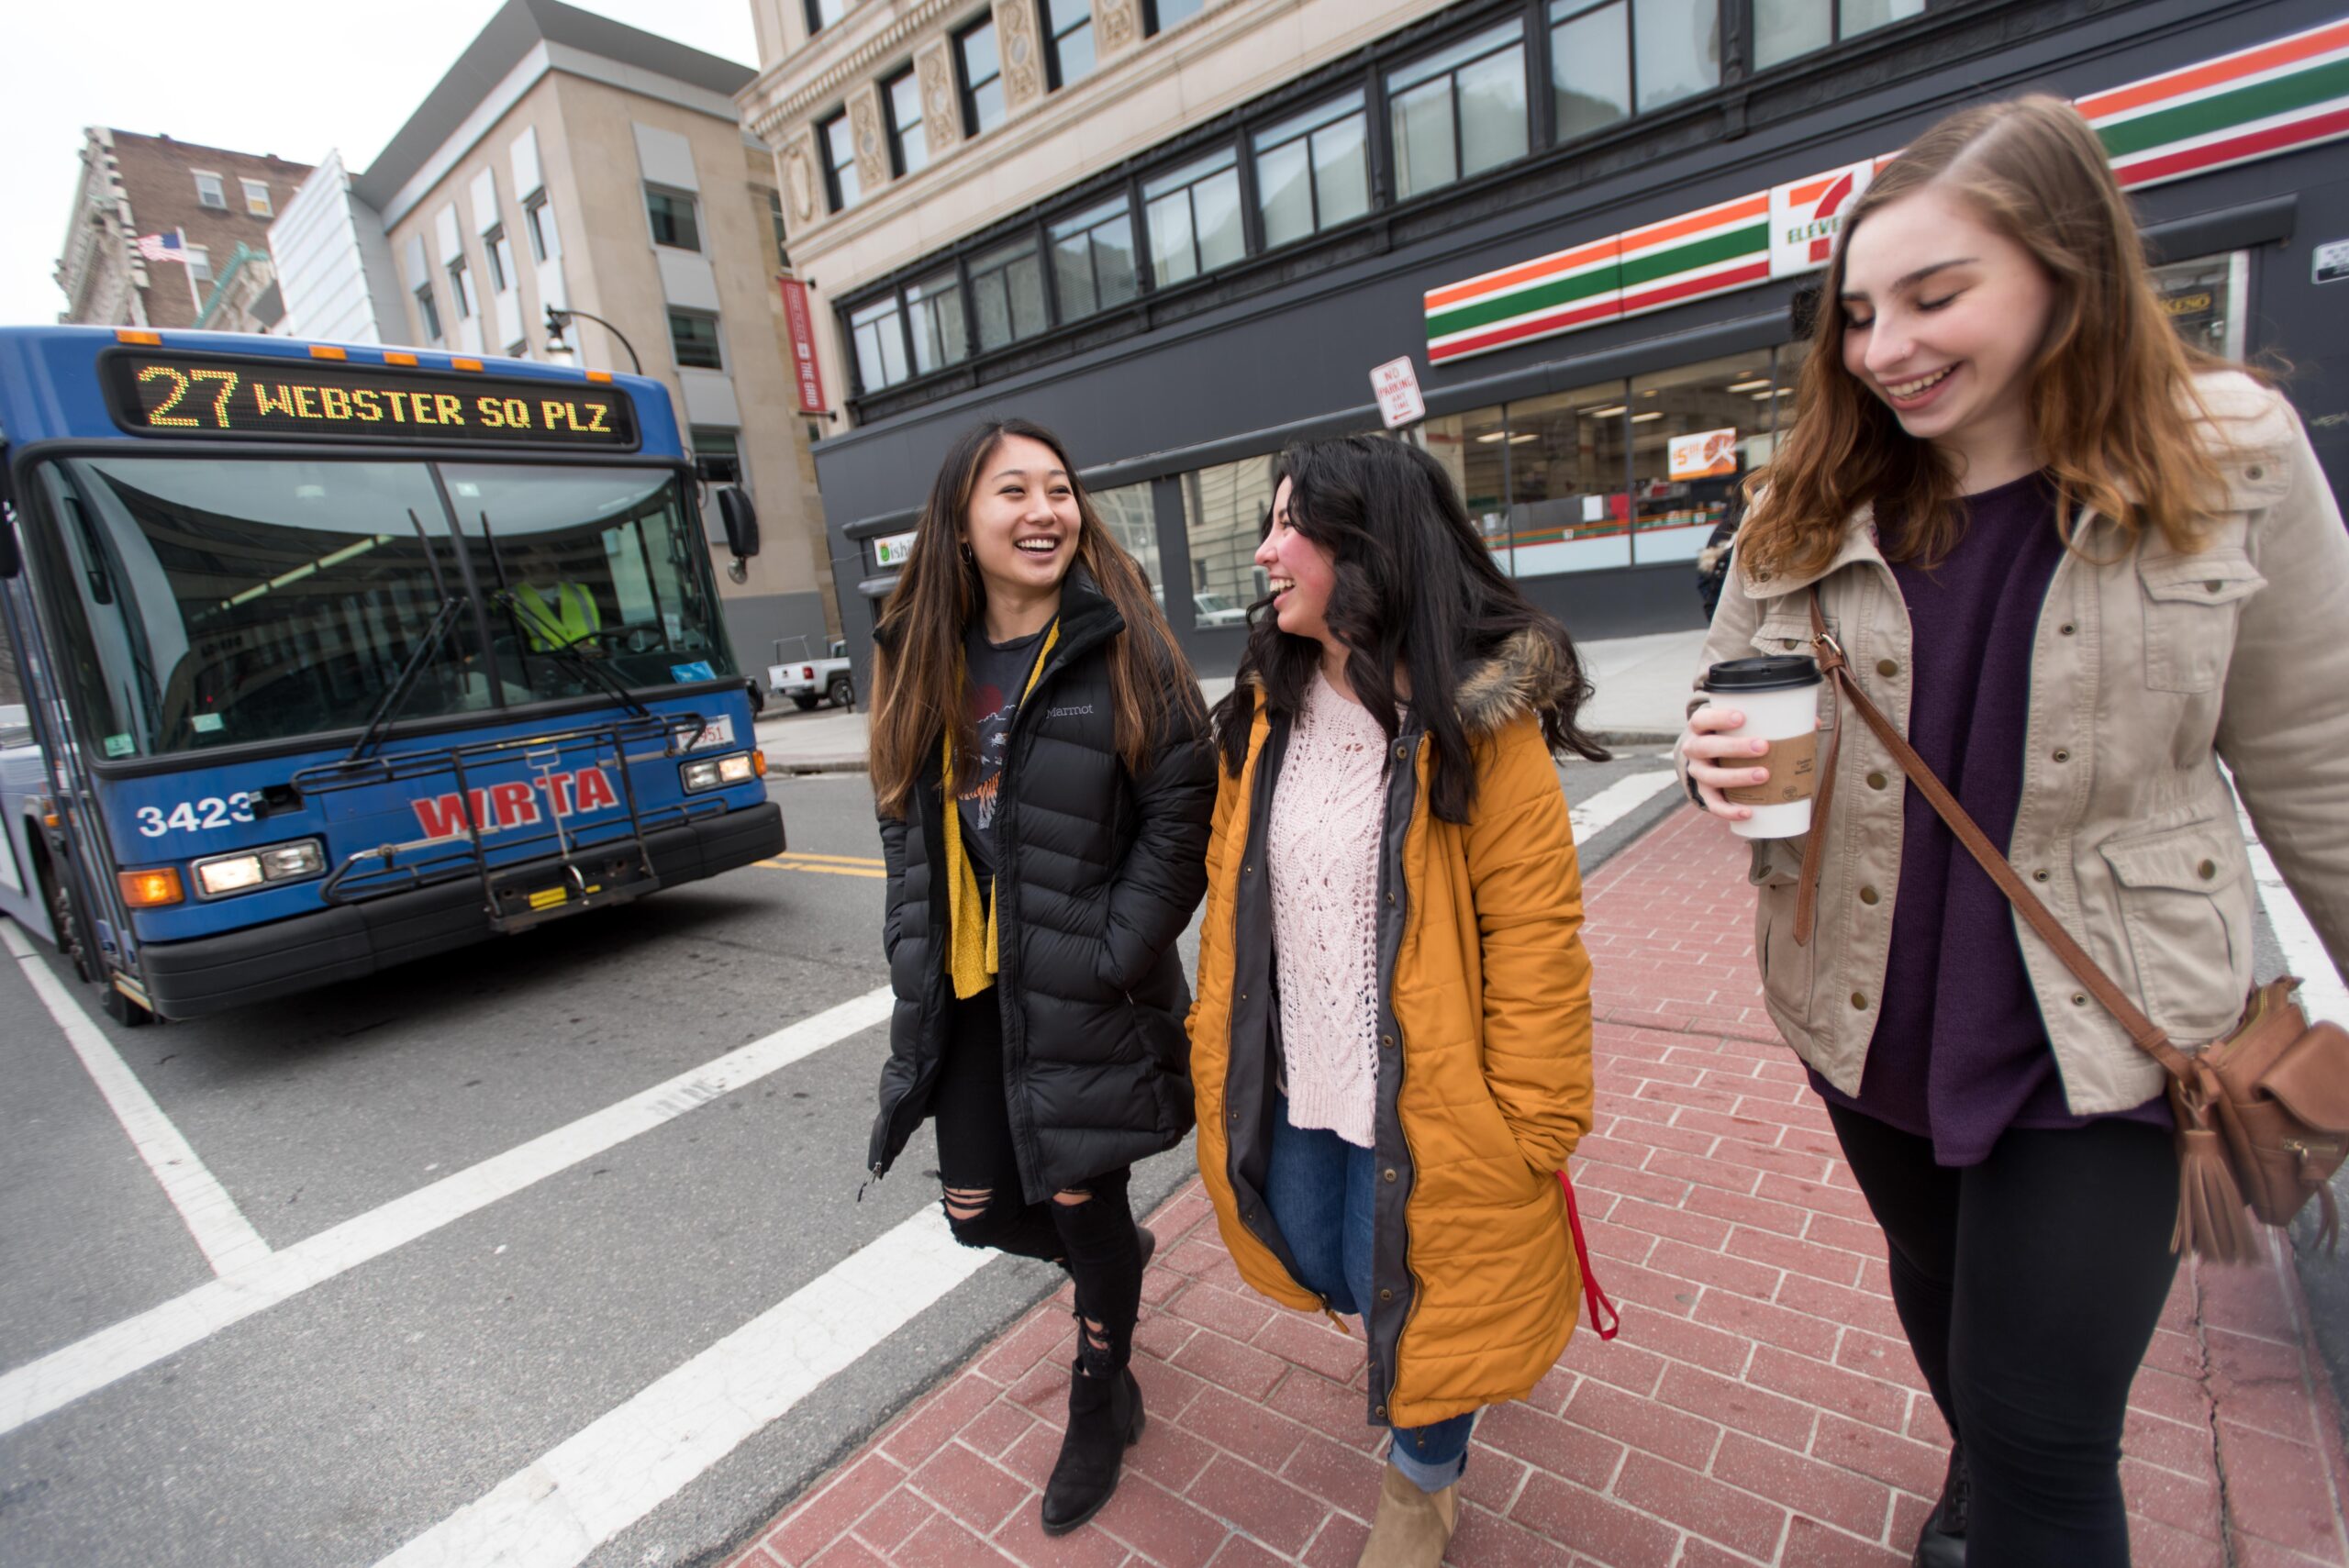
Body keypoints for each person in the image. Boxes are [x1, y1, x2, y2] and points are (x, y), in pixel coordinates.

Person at [1677, 97, 2349, 1568]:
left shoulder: (2227, 456)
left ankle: (2002, 1472)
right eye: (1859, 312)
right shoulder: (1813, 487)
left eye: (1935, 295)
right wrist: (1711, 762)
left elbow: (2323, 765)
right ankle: (1972, 1456)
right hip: (1866, 1015)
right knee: (1944, 1292)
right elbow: (1728, 698)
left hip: (2109, 1029)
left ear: (2066, 269)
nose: (1885, 347)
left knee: (2051, 1440)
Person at [1187, 435, 1608, 1567]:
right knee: (1331, 1264)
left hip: (1435, 1102)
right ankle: (1436, 1389)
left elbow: (1533, 932)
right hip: (1300, 1079)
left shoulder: (1478, 723)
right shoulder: (1267, 706)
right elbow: (1233, 901)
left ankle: (1424, 1481)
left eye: (1291, 526)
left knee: (1432, 1303)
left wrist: (1528, 1122)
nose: (1266, 550)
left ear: (1364, 549)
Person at [864, 417, 1214, 1536]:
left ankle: (1095, 1394)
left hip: (1082, 986)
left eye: (1057, 488)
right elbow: (899, 824)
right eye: (1010, 490)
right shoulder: (919, 653)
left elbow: (1182, 802)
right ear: (962, 526)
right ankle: (1113, 1256)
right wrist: (909, 941)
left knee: (1076, 1194)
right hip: (969, 991)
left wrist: (1119, 948)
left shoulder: (1122, 643)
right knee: (977, 1212)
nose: (1042, 510)